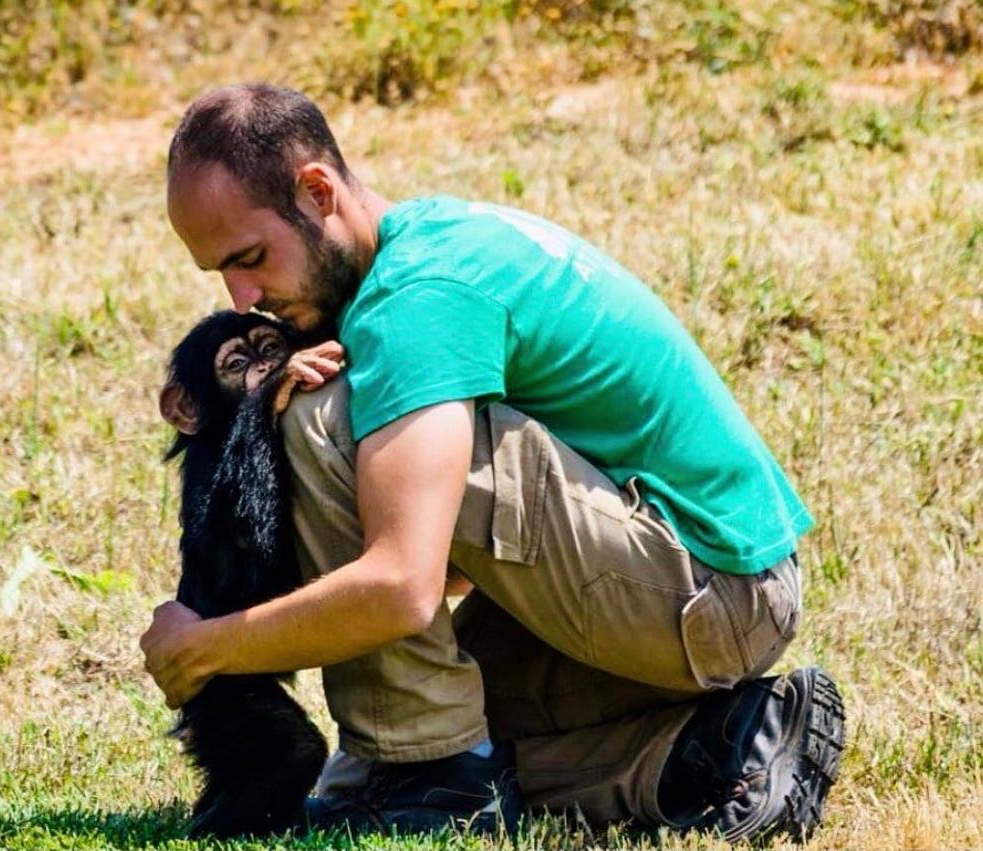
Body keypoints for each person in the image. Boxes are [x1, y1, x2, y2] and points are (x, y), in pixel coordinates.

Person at [140, 82, 845, 842]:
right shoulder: (424, 240)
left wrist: (205, 647)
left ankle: (426, 774)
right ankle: (721, 746)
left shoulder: (414, 301)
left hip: (712, 592)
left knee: (319, 414)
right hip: (689, 582)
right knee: (420, 757)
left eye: (249, 258)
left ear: (317, 192)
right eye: (220, 274)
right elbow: (459, 557)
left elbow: (406, 588)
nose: (241, 297)